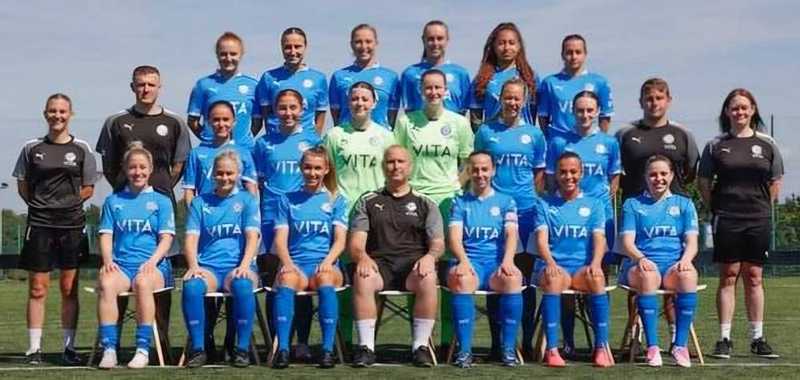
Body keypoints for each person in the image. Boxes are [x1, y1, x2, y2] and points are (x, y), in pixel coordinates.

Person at [698, 89, 784, 359]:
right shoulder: (715, 145)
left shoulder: (768, 144)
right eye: (734, 108)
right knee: (728, 276)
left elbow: (775, 182)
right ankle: (724, 338)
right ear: (727, 112)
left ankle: (758, 338)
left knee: (755, 277)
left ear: (753, 109)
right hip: (727, 218)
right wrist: (719, 207)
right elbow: (703, 183)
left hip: (757, 219)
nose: (740, 112)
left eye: (745, 107)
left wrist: (758, 206)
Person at [12, 93, 97, 365]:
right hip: (39, 224)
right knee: (37, 288)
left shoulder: (82, 148)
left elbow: (88, 187)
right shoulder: (31, 148)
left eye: (62, 111)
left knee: (69, 288)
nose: (57, 116)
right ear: (45, 114)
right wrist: (42, 205)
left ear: (70, 114)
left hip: (72, 224)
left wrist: (68, 204)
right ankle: (34, 349)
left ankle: (69, 349)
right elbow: (23, 184)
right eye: (52, 111)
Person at [349, 145, 444, 368]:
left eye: (401, 162)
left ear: (410, 167)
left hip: (413, 266)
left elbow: (438, 243)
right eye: (390, 162)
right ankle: (366, 348)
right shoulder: (368, 201)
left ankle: (420, 347)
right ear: (383, 166)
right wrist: (362, 257)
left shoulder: (425, 202)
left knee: (428, 277)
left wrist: (431, 257)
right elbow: (356, 243)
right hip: (379, 265)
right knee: (362, 276)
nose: (395, 166)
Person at [544, 90, 620, 356]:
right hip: (564, 210)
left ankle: (600, 342)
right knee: (563, 278)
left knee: (597, 275)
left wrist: (592, 205)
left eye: (590, 110)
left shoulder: (609, 143)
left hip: (597, 217)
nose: (585, 115)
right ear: (572, 111)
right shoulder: (558, 142)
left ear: (598, 112)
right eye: (580, 110)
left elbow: (613, 181)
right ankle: (567, 341)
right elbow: (552, 179)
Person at [473, 77, 545, 356]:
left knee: (524, 279)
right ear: (500, 99)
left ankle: (525, 342)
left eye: (517, 98)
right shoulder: (486, 132)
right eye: (508, 97)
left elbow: (539, 174)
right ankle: (496, 342)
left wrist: (530, 200)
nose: (512, 102)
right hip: (493, 213)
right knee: (497, 274)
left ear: (524, 101)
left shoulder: (535, 135)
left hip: (525, 212)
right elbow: (476, 168)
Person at [95, 143, 175, 369]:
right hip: (121, 265)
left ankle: (142, 349)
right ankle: (109, 348)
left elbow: (166, 238)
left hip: (153, 267)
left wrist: (152, 262)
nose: (137, 172)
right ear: (124, 169)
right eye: (132, 167)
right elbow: (106, 235)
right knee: (107, 283)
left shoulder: (162, 201)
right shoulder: (113, 201)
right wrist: (108, 261)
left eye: (142, 167)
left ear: (150, 170)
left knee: (142, 282)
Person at [181, 150, 261, 368]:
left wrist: (245, 265)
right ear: (212, 175)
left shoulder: (247, 200)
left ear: (238, 174)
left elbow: (252, 236)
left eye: (229, 173)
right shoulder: (200, 202)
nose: (225, 178)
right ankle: (199, 349)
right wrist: (194, 266)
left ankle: (241, 349)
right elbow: (190, 238)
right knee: (192, 286)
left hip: (237, 266)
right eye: (220, 173)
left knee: (243, 285)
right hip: (208, 267)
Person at [533, 151, 613, 368]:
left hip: (581, 268)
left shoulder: (594, 204)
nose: (568, 177)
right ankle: (552, 349)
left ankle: (601, 348)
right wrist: (550, 263)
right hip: (554, 266)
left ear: (581, 173)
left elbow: (599, 239)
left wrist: (596, 264)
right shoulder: (544, 204)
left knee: (597, 280)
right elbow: (541, 241)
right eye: (563, 172)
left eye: (573, 172)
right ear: (556, 175)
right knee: (553, 280)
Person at [271, 147, 348, 369]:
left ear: (326, 170)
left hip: (325, 263)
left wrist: (328, 261)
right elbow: (280, 240)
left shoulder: (336, 199)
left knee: (325, 280)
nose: (312, 173)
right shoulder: (287, 199)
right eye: (307, 167)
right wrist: (287, 264)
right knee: (286, 281)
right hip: (296, 264)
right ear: (300, 168)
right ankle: (284, 349)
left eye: (317, 168)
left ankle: (326, 350)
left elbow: (340, 240)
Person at [619, 155, 699, 367]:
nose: (658, 179)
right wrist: (640, 258)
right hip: (642, 264)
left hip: (672, 265)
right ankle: (652, 347)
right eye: (653, 174)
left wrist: (686, 259)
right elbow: (627, 242)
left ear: (671, 175)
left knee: (689, 275)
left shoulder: (684, 204)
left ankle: (679, 345)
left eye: (663, 174)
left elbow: (692, 241)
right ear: (645, 177)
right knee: (648, 275)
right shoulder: (632, 204)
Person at [447, 151, 523, 368]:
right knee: (461, 279)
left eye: (485, 169)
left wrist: (508, 261)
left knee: (512, 279)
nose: (480, 174)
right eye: (475, 169)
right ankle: (464, 351)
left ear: (493, 171)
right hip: (471, 263)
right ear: (469, 171)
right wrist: (462, 260)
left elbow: (511, 235)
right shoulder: (460, 202)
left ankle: (508, 349)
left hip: (496, 263)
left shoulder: (506, 201)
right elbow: (454, 237)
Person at [96, 65, 192, 206]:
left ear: (159, 87)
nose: (146, 90)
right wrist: (124, 186)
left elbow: (179, 166)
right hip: (124, 199)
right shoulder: (115, 121)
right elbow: (109, 167)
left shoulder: (175, 122)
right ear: (132, 87)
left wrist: (163, 186)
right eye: (141, 85)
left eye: (151, 85)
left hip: (162, 199)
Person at [253, 89, 322, 255]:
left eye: (293, 107)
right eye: (283, 108)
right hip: (272, 209)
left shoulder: (313, 141)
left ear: (302, 109)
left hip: (301, 209)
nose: (288, 113)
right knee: (272, 260)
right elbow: (259, 182)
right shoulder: (263, 143)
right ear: (275, 111)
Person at [394, 69, 474, 209]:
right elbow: (395, 160)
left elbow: (468, 161)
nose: (433, 92)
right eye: (428, 88)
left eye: (437, 87)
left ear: (445, 90)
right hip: (415, 195)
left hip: (448, 196)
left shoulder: (459, 122)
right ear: (421, 90)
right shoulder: (405, 122)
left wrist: (456, 185)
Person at [616, 78, 699, 200]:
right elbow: (614, 172)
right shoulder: (624, 134)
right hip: (636, 209)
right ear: (641, 102)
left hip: (674, 209)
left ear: (668, 101)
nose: (654, 103)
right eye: (649, 99)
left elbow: (690, 173)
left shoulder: (683, 134)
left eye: (659, 98)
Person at [323, 81, 396, 214]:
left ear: (374, 103)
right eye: (354, 99)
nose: (360, 103)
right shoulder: (334, 135)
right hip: (343, 210)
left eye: (365, 99)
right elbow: (326, 174)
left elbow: (393, 174)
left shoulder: (387, 136)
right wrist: (332, 199)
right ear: (348, 103)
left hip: (376, 208)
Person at [187, 32, 260, 149]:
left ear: (241, 54)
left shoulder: (253, 85)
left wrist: (243, 141)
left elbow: (257, 122)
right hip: (212, 150)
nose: (228, 58)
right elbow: (192, 122)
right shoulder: (203, 85)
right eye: (223, 54)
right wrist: (209, 139)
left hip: (244, 150)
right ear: (217, 55)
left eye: (233, 54)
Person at [255, 27, 328, 137]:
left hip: (306, 145)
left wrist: (314, 141)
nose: (293, 52)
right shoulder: (268, 78)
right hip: (277, 143)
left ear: (305, 47)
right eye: (288, 47)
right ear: (282, 48)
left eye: (297, 47)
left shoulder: (318, 78)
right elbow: (266, 116)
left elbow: (320, 116)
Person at [537, 34, 614, 139]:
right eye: (569, 53)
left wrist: (599, 140)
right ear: (562, 55)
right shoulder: (550, 83)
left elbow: (605, 116)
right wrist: (549, 139)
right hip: (560, 144)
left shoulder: (599, 82)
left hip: (587, 141)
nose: (574, 57)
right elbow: (543, 116)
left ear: (585, 54)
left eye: (578, 52)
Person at [183, 100, 257, 206]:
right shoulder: (196, 154)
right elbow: (189, 191)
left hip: (236, 216)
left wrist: (250, 215)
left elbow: (251, 189)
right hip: (207, 214)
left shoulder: (244, 153)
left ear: (234, 122)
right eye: (216, 120)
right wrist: (195, 215)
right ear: (208, 122)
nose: (221, 124)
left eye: (226, 119)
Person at [469, 22, 538, 131]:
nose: (506, 47)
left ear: (519, 46)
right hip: (494, 140)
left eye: (511, 43)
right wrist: (483, 138)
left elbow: (534, 113)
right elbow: (475, 118)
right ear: (493, 46)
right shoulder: (481, 79)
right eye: (501, 43)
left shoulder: (530, 77)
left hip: (523, 141)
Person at [329, 24, 401, 129]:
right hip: (348, 139)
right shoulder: (339, 76)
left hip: (379, 141)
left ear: (376, 43)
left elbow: (392, 117)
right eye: (358, 42)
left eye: (368, 41)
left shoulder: (391, 77)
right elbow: (336, 117)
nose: (363, 46)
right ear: (351, 44)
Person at [400, 20, 470, 114]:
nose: (435, 43)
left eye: (440, 38)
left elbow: (463, 111)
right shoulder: (410, 74)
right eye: (430, 39)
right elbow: (409, 112)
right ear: (423, 40)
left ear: (447, 40)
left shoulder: (461, 74)